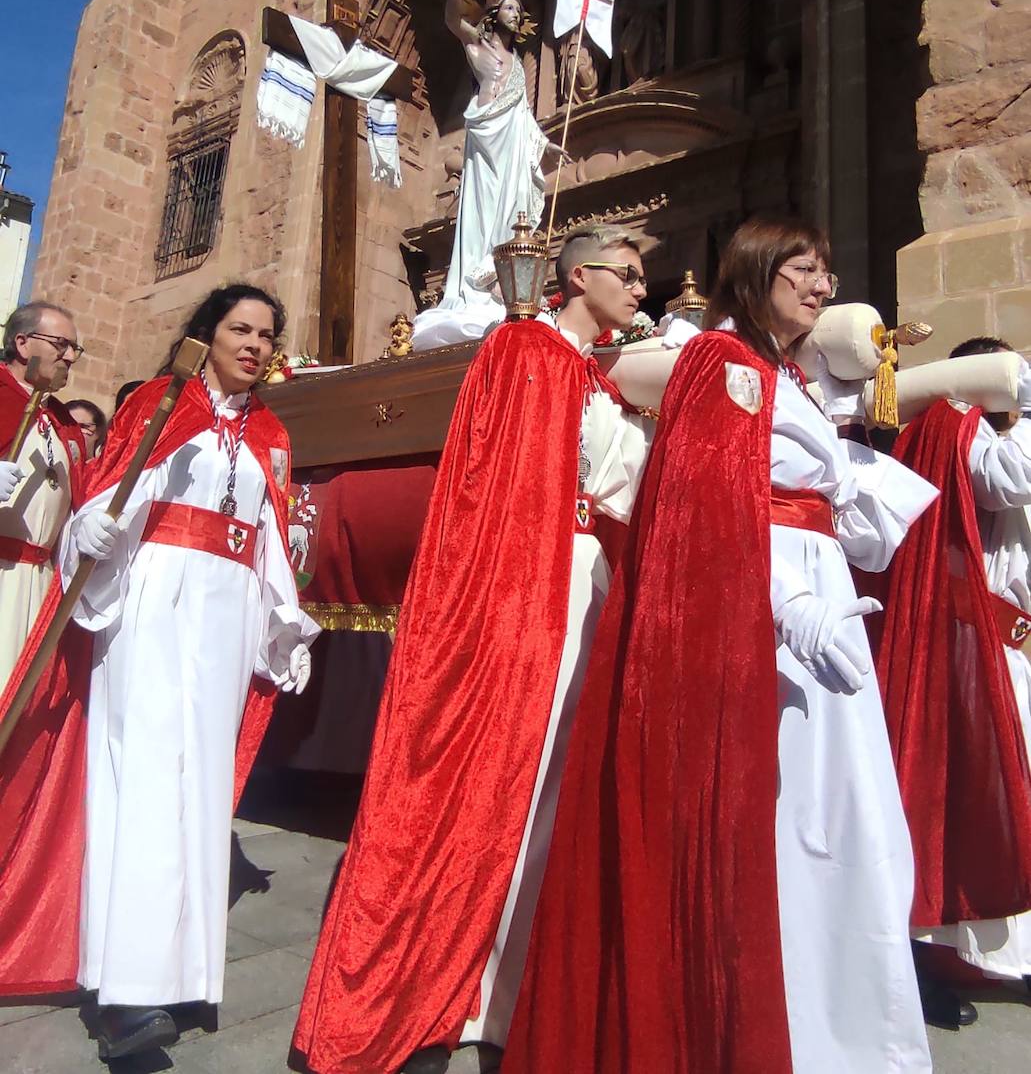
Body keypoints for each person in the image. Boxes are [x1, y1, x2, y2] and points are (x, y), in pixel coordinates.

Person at [502, 215, 937, 1074]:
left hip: (815, 598)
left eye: (825, 272)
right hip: (765, 614)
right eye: (804, 270)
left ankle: (835, 1027)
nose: (822, 287)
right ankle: (783, 1030)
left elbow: (819, 496)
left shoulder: (784, 376)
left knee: (841, 817)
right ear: (755, 272)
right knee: (790, 821)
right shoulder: (723, 364)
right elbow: (709, 507)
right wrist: (789, 606)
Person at [294, 225, 684, 1074]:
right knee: (498, 781)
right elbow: (499, 489)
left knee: (549, 795)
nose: (641, 288)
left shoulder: (597, 378)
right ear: (576, 276)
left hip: (588, 588)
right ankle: (446, 991)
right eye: (629, 273)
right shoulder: (525, 351)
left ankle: (506, 993)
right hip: (528, 588)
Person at [0, 283, 320, 1063]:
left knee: (199, 792)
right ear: (205, 334)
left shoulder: (272, 431)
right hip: (147, 606)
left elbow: (268, 534)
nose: (254, 344)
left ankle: (178, 970)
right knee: (139, 784)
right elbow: (109, 497)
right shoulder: (156, 402)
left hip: (225, 615)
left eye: (267, 335)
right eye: (239, 329)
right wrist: (92, 528)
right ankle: (124, 990)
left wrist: (285, 620)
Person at [872, 335, 1031, 1026]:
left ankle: (1011, 958)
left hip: (1018, 643)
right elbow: (1008, 481)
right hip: (981, 649)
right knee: (966, 799)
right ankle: (921, 961)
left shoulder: (987, 432)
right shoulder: (948, 426)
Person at [411, 0, 565, 349]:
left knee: (512, 203)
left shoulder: (518, 64)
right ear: (495, 15)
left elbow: (523, 116)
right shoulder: (477, 46)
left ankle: (498, 277)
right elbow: (450, 18)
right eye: (511, 8)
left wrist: (544, 146)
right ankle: (474, 281)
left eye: (519, 10)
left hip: (512, 138)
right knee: (483, 205)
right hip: (485, 135)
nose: (517, 14)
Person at [0, 300, 86, 691]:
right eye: (60, 344)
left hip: (44, 582)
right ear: (21, 343)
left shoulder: (63, 420)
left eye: (74, 348)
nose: (69, 356)